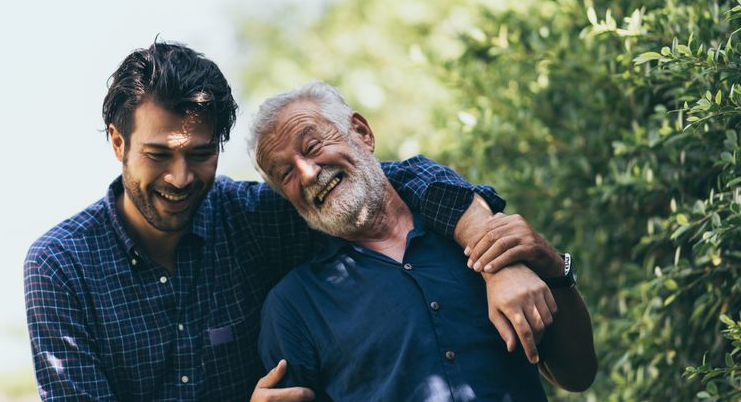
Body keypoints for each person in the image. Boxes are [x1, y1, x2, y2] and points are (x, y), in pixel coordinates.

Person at [24, 42, 549, 401]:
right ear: (118, 143)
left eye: (201, 154)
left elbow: (384, 182)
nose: (181, 178)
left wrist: (490, 247)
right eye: (159, 154)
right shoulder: (60, 267)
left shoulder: (253, 218)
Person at [252, 81, 598, 401]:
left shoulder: (478, 235)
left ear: (361, 133)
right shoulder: (294, 305)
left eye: (312, 146)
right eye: (285, 174)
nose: (308, 173)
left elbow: (577, 375)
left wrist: (553, 267)